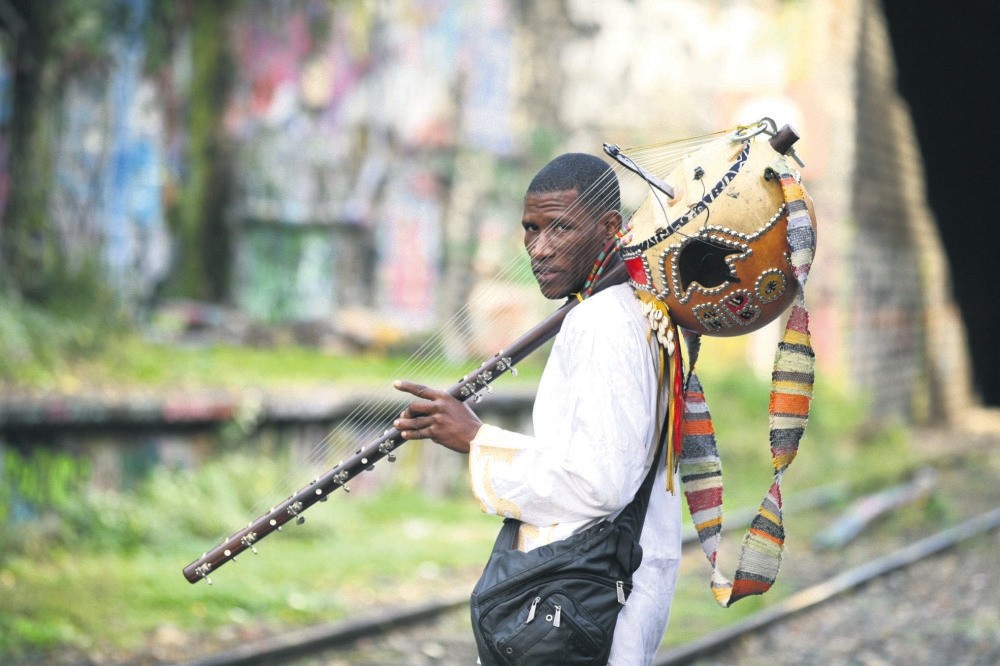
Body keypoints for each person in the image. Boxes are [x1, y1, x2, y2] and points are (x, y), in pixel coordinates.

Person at [394, 153, 682, 665]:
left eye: (560, 228)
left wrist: (477, 441)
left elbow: (599, 485)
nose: (539, 248)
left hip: (581, 603)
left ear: (609, 227)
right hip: (598, 593)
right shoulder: (633, 308)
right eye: (530, 228)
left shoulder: (601, 322)